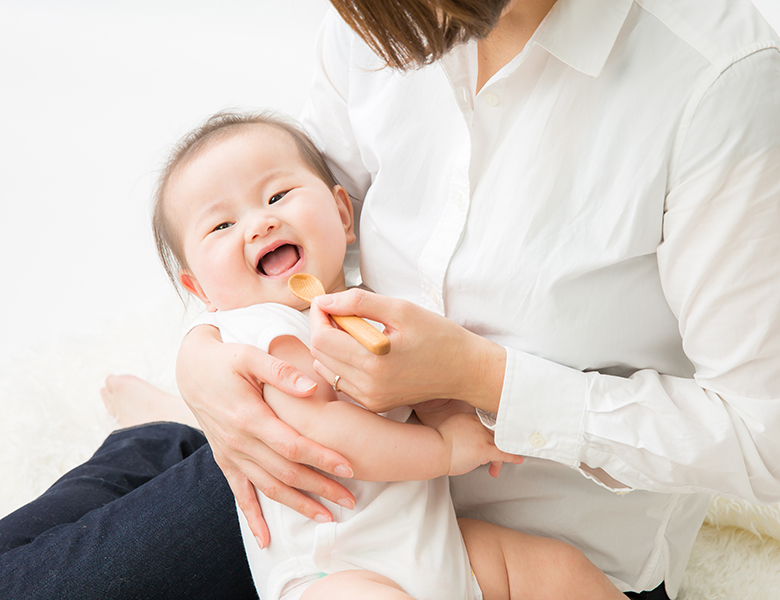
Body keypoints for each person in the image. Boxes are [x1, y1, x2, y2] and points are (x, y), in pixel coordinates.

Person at [172, 0, 780, 598]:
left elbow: (765, 437)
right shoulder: (378, 16)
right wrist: (200, 354)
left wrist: (483, 379)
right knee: (86, 570)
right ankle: (155, 434)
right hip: (338, 514)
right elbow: (297, 222)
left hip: (531, 541)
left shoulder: (718, 77)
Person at [149, 110, 626, 599]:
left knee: (556, 570)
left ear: (341, 215)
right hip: (335, 570)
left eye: (277, 196)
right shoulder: (262, 329)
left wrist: (453, 406)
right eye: (222, 225)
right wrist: (446, 448)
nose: (260, 223)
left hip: (437, 546)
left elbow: (421, 383)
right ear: (197, 287)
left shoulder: (373, 310)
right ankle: (151, 427)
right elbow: (333, 436)